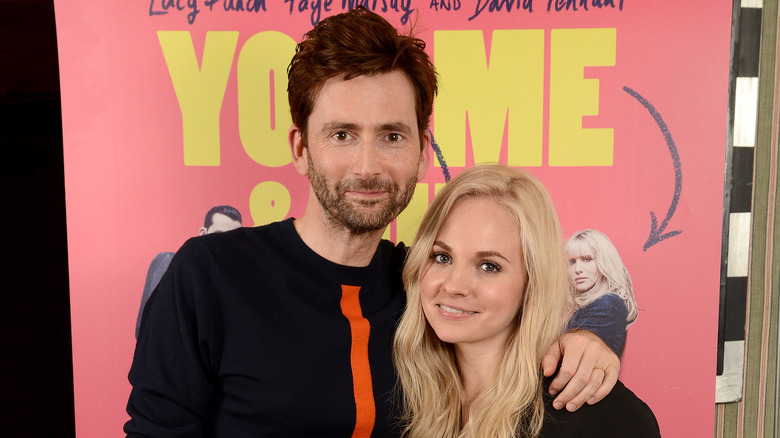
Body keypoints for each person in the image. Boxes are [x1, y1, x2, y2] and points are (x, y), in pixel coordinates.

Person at [125, 8, 619, 437]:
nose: (367, 166)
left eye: (391, 136)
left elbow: (514, 336)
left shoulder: (429, 286)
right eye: (342, 134)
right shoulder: (209, 274)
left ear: (424, 155)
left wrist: (589, 342)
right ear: (301, 149)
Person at [394, 164, 659, 437]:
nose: (454, 285)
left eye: (488, 266)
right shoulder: (401, 394)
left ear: (533, 281)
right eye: (442, 257)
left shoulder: (603, 417)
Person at [135, 205, 243, 338]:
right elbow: (146, 328)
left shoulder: (237, 284)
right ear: (204, 233)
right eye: (218, 235)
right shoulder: (169, 263)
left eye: (233, 239)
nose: (224, 244)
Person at [565, 229, 638, 357]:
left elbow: (570, 356)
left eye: (587, 259)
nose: (578, 269)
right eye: (572, 262)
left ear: (604, 262)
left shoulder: (608, 303)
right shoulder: (581, 306)